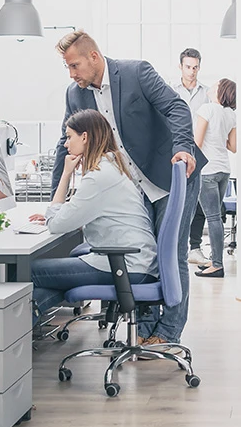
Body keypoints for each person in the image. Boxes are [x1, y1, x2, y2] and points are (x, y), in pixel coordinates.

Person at [52, 30, 205, 346]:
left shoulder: (136, 72)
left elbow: (177, 108)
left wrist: (184, 147)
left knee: (171, 253)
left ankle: (168, 332)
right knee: (144, 256)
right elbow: (64, 145)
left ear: (93, 57)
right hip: (133, 189)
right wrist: (58, 199)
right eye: (67, 68)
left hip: (171, 175)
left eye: (75, 65)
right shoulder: (75, 94)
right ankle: (146, 331)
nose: (72, 74)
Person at [30, 109, 157, 320]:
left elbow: (56, 225)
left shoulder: (99, 176)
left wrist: (65, 174)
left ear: (85, 137)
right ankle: (26, 325)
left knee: (29, 271)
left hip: (125, 265)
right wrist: (63, 213)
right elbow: (81, 213)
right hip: (137, 261)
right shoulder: (113, 166)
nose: (65, 144)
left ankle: (21, 329)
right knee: (55, 275)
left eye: (69, 136)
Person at [192, 79, 237, 278]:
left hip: (208, 171)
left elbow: (197, 143)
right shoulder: (230, 114)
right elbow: (233, 146)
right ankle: (214, 260)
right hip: (224, 170)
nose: (212, 86)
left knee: (213, 218)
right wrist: (218, 137)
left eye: (216, 85)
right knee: (215, 217)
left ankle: (217, 265)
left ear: (220, 91)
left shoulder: (207, 109)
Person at [171, 48, 210, 267]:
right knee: (175, 200)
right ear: (181, 67)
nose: (192, 71)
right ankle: (176, 246)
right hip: (178, 152)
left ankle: (194, 247)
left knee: (197, 203)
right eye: (188, 66)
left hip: (201, 153)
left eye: (195, 67)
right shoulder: (171, 90)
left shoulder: (206, 93)